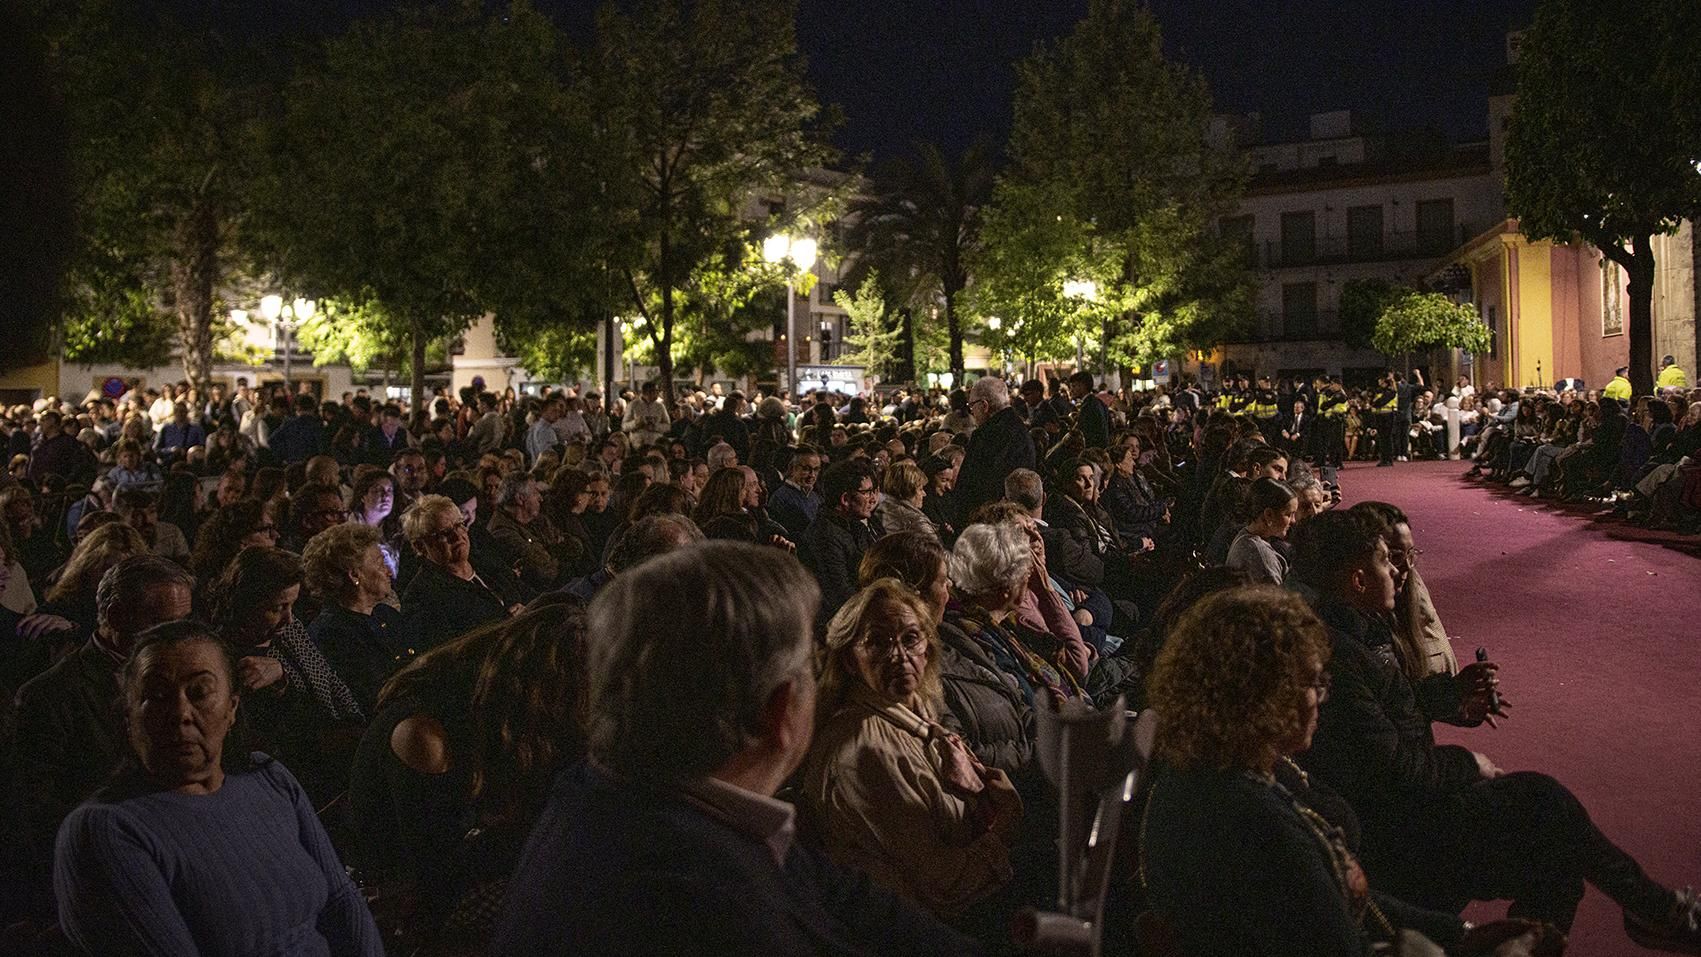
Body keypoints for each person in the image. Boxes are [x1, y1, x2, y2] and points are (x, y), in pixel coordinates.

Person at [493, 542, 976, 956]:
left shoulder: (603, 790)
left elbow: (832, 890)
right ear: (780, 709)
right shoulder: (710, 909)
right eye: (810, 665)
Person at [1290, 510, 1701, 948]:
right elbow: (1393, 768)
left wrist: (1454, 696)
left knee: (1558, 861)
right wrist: (1469, 762)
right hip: (1401, 836)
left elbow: (1391, 710)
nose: (1397, 570)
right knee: (1544, 801)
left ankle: (1643, 913)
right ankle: (1655, 909)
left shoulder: (1362, 627)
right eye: (1385, 561)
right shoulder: (1340, 652)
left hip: (1413, 810)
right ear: (1357, 579)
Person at [1140, 586, 1555, 957]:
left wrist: (1460, 931)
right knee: (1543, 826)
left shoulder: (1229, 767)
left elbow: (1338, 896)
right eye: (1313, 682)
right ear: (1262, 693)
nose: (1322, 696)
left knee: (1542, 812)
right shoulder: (1246, 816)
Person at [53, 620, 383, 956]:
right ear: (129, 717)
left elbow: (341, 900)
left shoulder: (268, 778)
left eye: (199, 692)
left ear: (232, 708)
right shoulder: (107, 829)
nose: (181, 712)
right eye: (157, 695)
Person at [350, 602, 588, 946]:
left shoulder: (504, 714)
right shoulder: (426, 733)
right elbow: (438, 868)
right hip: (407, 893)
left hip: (475, 859)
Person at [800, 580, 1022, 917]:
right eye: (877, 642)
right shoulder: (864, 747)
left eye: (910, 638)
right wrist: (1006, 821)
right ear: (849, 660)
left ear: (928, 648)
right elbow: (942, 887)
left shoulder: (918, 713)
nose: (899, 656)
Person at [8, 557, 193, 914]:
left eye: (183, 624)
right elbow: (37, 812)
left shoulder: (185, 675)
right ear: (115, 616)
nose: (177, 638)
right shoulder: (51, 696)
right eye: (161, 624)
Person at [303, 522, 411, 714]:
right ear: (354, 575)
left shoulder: (386, 614)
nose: (388, 571)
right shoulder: (330, 635)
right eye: (379, 563)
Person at [400, 494, 521, 652]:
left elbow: (528, 594)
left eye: (459, 525)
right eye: (444, 533)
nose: (458, 536)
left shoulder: (487, 564)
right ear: (420, 547)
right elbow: (445, 655)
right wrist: (507, 628)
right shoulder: (421, 596)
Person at [800, 460, 884, 624]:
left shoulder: (854, 525)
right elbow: (841, 595)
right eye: (867, 492)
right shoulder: (825, 536)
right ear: (845, 499)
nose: (873, 499)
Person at [950, 377, 1036, 528]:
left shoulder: (986, 434)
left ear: (984, 405)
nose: (972, 412)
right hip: (1016, 514)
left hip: (988, 521)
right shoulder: (1019, 428)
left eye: (972, 406)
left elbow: (970, 484)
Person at [1224, 477, 1297, 586]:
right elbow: (1278, 600)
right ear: (1268, 514)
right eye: (1288, 514)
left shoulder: (1244, 535)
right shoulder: (1260, 555)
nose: (1293, 521)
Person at [114, 486, 192, 563]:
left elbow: (186, 566)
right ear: (122, 518)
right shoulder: (115, 541)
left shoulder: (171, 533)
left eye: (152, 511)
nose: (147, 520)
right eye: (138, 515)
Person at [768, 445, 824, 542]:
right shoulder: (781, 498)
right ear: (792, 468)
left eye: (816, 469)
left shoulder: (815, 497)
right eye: (806, 469)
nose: (812, 475)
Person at [874, 459, 939, 541]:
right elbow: (937, 551)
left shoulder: (881, 509)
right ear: (908, 489)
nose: (924, 494)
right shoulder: (916, 522)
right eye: (920, 489)